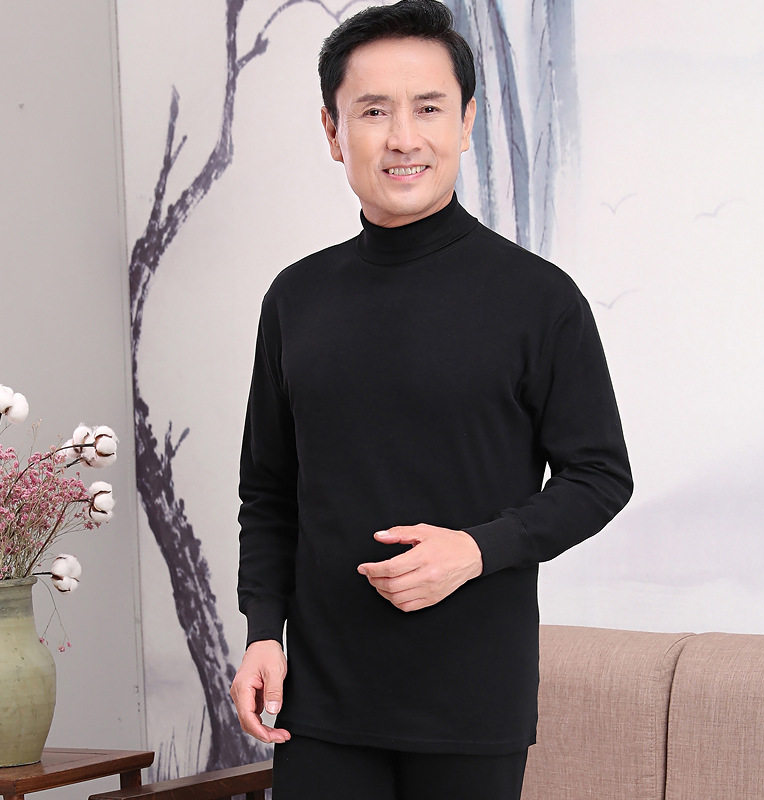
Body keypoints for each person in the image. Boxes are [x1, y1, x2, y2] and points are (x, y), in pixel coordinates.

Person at [230, 1, 633, 797]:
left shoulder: (539, 299)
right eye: (373, 111)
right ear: (333, 130)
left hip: (472, 705)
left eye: (428, 108)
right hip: (321, 705)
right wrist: (262, 632)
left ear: (466, 122)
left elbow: (600, 476)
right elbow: (269, 490)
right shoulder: (296, 299)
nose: (403, 137)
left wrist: (477, 550)